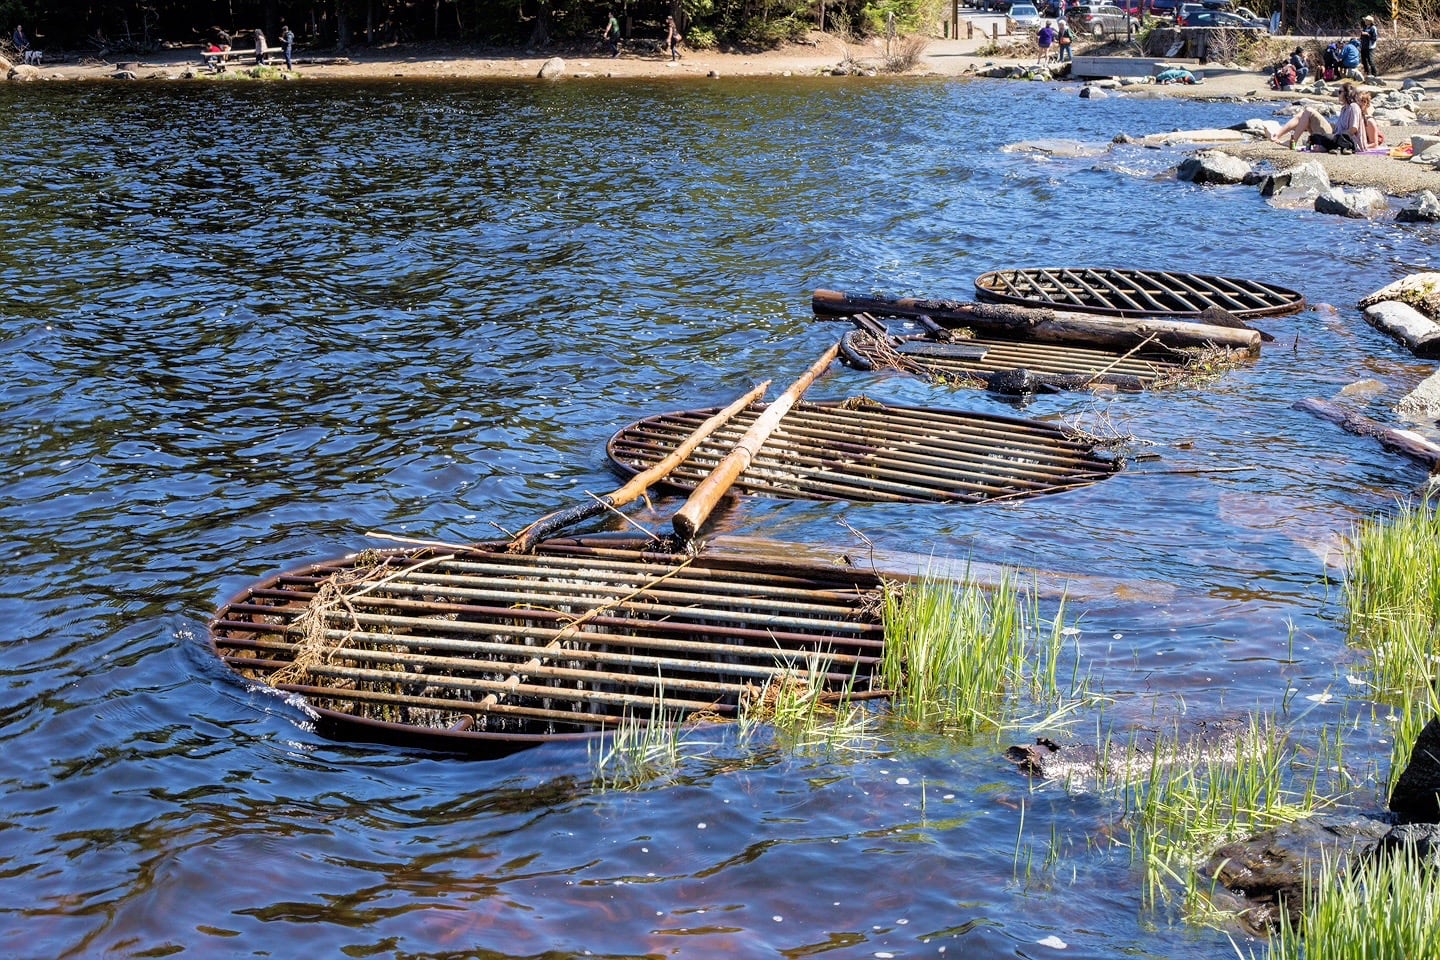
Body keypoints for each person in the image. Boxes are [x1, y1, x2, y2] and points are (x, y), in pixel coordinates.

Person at [1270, 82, 1362, 152]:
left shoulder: (1353, 107)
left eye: (1340, 92)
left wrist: (1335, 137)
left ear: (1347, 93)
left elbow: (1353, 129)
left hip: (1340, 139)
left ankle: (1292, 141)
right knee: (1302, 115)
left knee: (1309, 111)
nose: (1338, 94)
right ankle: (1277, 135)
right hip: (1335, 135)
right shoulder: (1344, 109)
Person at [1360, 15, 1379, 79]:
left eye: (1366, 20)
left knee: (1371, 61)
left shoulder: (1373, 28)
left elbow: (1374, 38)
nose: (1365, 21)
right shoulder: (1365, 27)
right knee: (1364, 61)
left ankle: (1375, 74)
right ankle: (1367, 73)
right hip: (1364, 46)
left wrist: (1367, 34)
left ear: (1370, 21)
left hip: (1370, 47)